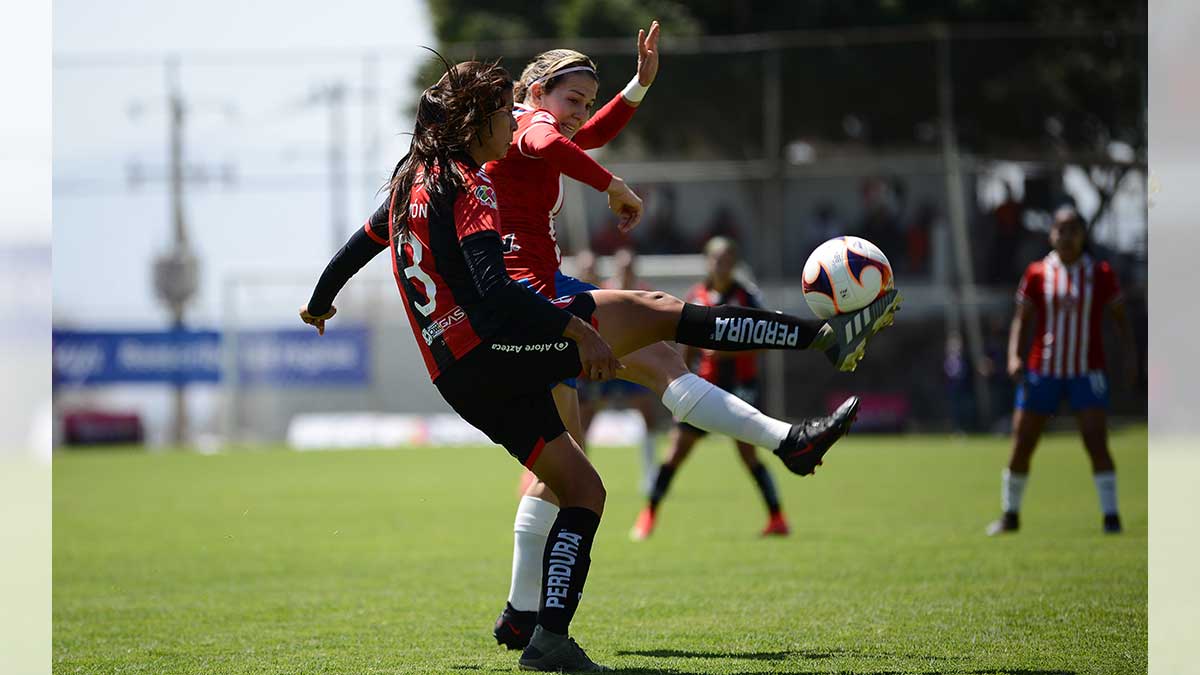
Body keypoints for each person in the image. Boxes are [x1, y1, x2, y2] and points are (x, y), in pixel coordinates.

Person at [300, 58, 893, 672]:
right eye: (506, 111)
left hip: (456, 374)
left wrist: (320, 301)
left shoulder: (407, 184)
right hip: (510, 331)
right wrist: (575, 328)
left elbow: (359, 246)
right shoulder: (476, 179)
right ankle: (822, 341)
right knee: (659, 312)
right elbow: (493, 289)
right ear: (491, 115)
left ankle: (539, 632)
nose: (514, 124)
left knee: (580, 484)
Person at [482, 27, 903, 655]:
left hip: (541, 294)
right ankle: (812, 366)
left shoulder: (538, 128)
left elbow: (587, 134)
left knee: (583, 441)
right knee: (661, 326)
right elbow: (549, 137)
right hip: (533, 304)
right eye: (573, 98)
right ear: (539, 90)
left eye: (584, 100)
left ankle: (519, 615)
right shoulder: (527, 124)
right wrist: (612, 186)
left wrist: (640, 84)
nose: (578, 113)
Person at [986, 206, 1138, 536]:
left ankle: (1111, 518)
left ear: (1083, 235)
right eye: (1060, 229)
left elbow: (1120, 319)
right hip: (1043, 370)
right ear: (1051, 234)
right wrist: (1014, 356)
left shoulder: (1100, 273)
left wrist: (1130, 356)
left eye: (1073, 230)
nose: (1066, 236)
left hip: (1086, 369)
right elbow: (1021, 320)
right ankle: (1010, 515)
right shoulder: (1038, 272)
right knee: (1023, 442)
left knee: (1096, 441)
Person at [630, 237, 791, 541]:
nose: (722, 263)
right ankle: (648, 515)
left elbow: (764, 340)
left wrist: (728, 353)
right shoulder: (698, 295)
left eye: (728, 258)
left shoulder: (747, 297)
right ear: (707, 261)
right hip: (706, 387)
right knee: (676, 452)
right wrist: (678, 380)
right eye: (717, 258)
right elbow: (686, 346)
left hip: (741, 387)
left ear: (735, 263)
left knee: (748, 454)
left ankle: (778, 518)